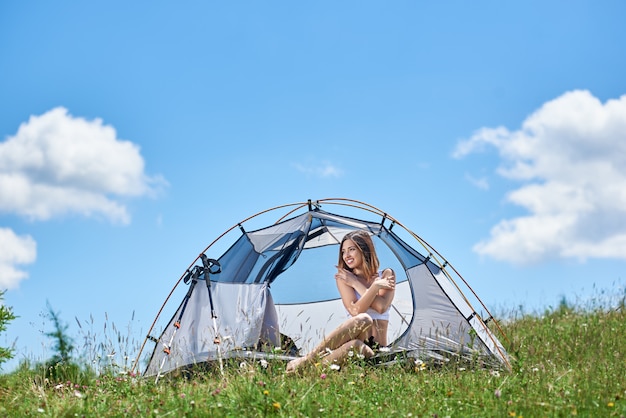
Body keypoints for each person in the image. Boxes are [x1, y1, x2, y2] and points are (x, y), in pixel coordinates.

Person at [286, 230, 395, 373]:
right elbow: (355, 311)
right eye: (343, 251)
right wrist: (368, 286)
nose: (346, 256)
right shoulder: (344, 279)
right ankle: (307, 362)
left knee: (363, 321)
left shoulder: (386, 274)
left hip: (376, 352)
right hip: (355, 345)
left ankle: (306, 366)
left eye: (351, 249)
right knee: (362, 323)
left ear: (364, 250)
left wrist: (360, 284)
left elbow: (381, 306)